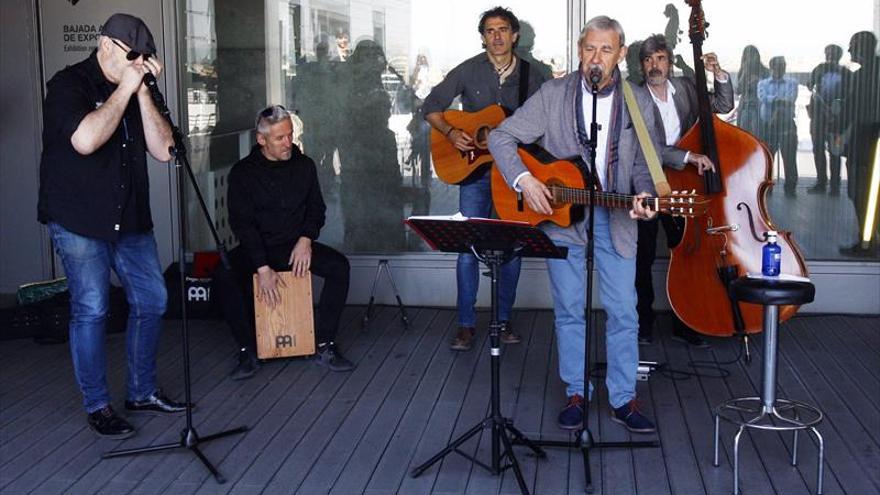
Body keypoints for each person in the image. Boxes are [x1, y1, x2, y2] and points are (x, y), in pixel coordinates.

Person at [488, 15, 659, 433]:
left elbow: (644, 165)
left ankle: (623, 399)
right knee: (569, 310)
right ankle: (576, 392)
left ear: (621, 54)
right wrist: (525, 180)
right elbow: (500, 137)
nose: (595, 57)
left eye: (605, 49)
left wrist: (644, 198)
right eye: (589, 49)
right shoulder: (553, 94)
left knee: (623, 310)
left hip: (617, 220)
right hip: (564, 221)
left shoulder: (639, 100)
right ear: (579, 51)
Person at [37, 13, 186, 439]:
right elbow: (85, 140)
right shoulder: (68, 85)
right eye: (132, 54)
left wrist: (141, 94)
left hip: (129, 215)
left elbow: (164, 149)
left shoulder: (137, 88)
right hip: (80, 216)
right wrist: (125, 87)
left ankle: (140, 391)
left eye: (145, 57)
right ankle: (98, 405)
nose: (140, 62)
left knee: (154, 298)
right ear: (105, 44)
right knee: (92, 309)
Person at [423, 6, 547, 351]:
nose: (496, 36)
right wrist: (450, 132)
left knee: (513, 248)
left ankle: (503, 319)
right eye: (490, 31)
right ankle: (465, 324)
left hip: (513, 176)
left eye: (503, 29)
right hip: (473, 171)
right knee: (467, 249)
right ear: (483, 37)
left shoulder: (533, 76)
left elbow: (548, 122)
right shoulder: (467, 70)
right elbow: (430, 106)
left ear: (515, 35)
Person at [212, 105, 355, 380]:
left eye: (290, 135)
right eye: (280, 138)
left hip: (294, 247)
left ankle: (326, 345)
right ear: (262, 140)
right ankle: (247, 351)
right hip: (259, 248)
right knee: (224, 275)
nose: (288, 142)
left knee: (340, 267)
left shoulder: (305, 165)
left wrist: (306, 240)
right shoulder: (243, 173)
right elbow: (243, 225)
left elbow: (316, 209)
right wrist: (262, 267)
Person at [635, 34, 734, 347]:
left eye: (660, 58)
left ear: (669, 61)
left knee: (687, 256)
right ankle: (643, 322)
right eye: (649, 60)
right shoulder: (634, 97)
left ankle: (686, 321)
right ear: (641, 65)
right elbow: (647, 146)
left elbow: (723, 105)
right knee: (643, 255)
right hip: (647, 182)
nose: (655, 66)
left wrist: (718, 75)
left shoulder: (688, 87)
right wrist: (689, 156)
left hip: (686, 185)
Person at [839, 31, 880, 256]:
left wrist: (834, 127)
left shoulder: (864, 76)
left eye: (853, 45)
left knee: (861, 192)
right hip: (866, 138)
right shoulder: (864, 74)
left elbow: (850, 109)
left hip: (868, 139)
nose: (849, 50)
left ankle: (868, 242)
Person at [806, 44, 848, 196]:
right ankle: (821, 182)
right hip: (818, 116)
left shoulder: (846, 72)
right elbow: (811, 86)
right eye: (828, 53)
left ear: (839, 55)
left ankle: (835, 186)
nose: (830, 56)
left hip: (836, 118)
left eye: (834, 53)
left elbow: (848, 95)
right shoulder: (819, 69)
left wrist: (835, 111)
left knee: (834, 151)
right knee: (817, 149)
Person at [758, 56, 799, 197]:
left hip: (787, 123)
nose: (782, 68)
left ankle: (791, 188)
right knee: (768, 157)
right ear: (772, 67)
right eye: (779, 65)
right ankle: (767, 188)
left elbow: (790, 99)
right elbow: (762, 98)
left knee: (789, 157)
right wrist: (779, 101)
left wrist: (773, 101)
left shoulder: (792, 83)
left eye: (784, 65)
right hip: (768, 125)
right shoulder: (762, 83)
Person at [735, 45, 769, 138]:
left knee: (758, 136)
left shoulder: (765, 71)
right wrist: (745, 72)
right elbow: (738, 90)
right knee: (744, 136)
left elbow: (770, 89)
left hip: (759, 108)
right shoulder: (742, 71)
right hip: (745, 107)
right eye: (748, 56)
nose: (750, 58)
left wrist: (758, 81)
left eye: (752, 55)